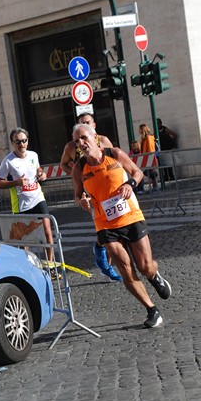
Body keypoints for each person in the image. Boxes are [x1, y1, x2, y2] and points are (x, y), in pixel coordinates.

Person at [71, 123, 172, 328]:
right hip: (104, 224)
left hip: (130, 216)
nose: (81, 143)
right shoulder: (79, 168)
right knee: (125, 269)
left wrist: (129, 185)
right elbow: (76, 195)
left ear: (95, 137)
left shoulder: (115, 154)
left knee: (144, 266)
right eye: (76, 141)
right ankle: (152, 310)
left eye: (83, 138)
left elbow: (137, 172)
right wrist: (81, 201)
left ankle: (154, 275)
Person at [60, 112, 122, 282]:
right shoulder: (71, 147)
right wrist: (76, 175)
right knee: (104, 228)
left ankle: (104, 257)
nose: (81, 140)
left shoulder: (104, 141)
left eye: (87, 122)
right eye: (81, 123)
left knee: (114, 228)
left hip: (110, 191)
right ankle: (107, 266)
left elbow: (116, 161)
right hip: (90, 193)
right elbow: (63, 163)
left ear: (93, 126)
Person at [0, 128, 57, 275]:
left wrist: (41, 174)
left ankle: (51, 266)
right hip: (21, 204)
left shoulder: (33, 155)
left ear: (27, 141)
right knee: (24, 240)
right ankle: (27, 268)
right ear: (12, 143)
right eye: (17, 141)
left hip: (37, 198)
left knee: (47, 232)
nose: (21, 144)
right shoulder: (8, 161)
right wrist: (16, 182)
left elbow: (37, 169)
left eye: (24, 141)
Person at [139, 123, 158, 192]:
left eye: (140, 129)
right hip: (146, 156)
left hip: (149, 156)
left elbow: (150, 148)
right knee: (148, 171)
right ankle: (154, 185)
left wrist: (149, 156)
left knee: (150, 171)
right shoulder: (144, 138)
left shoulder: (148, 137)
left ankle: (155, 185)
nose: (139, 131)